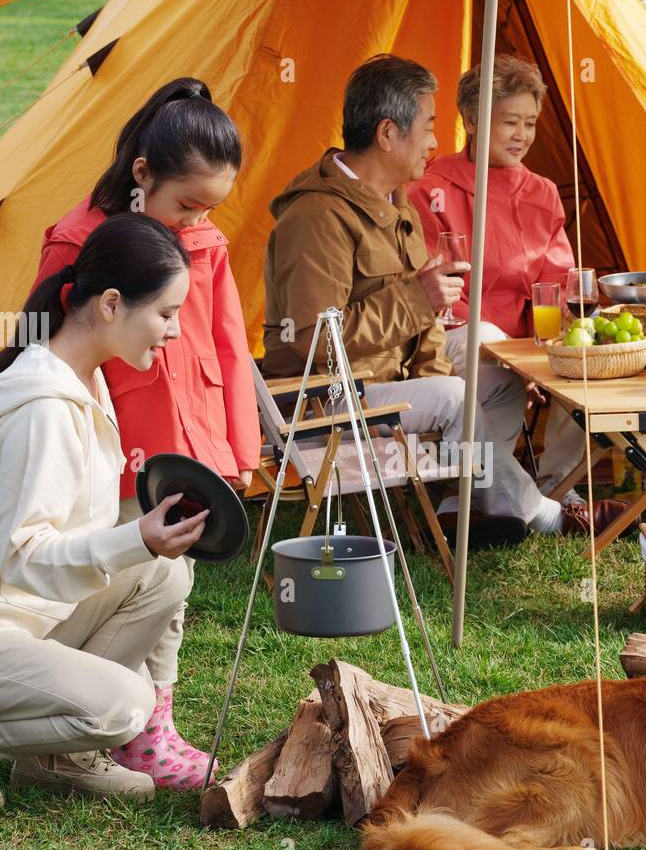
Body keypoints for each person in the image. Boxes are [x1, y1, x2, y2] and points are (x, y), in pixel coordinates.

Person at [0, 215, 206, 813]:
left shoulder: (82, 380)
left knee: (164, 574)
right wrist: (135, 535)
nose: (175, 331)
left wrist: (143, 546)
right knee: (124, 705)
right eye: (166, 313)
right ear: (111, 304)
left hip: (15, 620)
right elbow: (27, 555)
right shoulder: (45, 408)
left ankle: (55, 753)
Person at [262, 54, 626, 545]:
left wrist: (431, 370)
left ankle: (465, 503)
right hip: (324, 396)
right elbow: (313, 343)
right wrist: (420, 301)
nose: (437, 142)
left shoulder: (394, 202)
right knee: (456, 396)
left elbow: (425, 327)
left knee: (491, 379)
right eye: (430, 127)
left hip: (383, 380)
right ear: (389, 134)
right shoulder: (318, 217)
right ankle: (544, 513)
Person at [33, 77, 259, 787]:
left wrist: (239, 448)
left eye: (210, 207)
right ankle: (93, 721)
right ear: (142, 175)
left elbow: (229, 343)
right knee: (134, 575)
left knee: (175, 580)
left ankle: (148, 727)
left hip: (193, 443)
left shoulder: (206, 240)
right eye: (187, 203)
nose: (197, 219)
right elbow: (48, 348)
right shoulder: (76, 239)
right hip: (121, 449)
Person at [408, 53, 588, 502]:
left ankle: (555, 484)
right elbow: (442, 290)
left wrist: (546, 348)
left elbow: (557, 281)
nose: (523, 136)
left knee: (583, 356)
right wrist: (513, 359)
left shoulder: (542, 193)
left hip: (522, 344)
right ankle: (484, 494)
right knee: (489, 344)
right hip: (452, 335)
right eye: (511, 122)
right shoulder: (428, 189)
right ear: (471, 119)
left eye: (530, 123)